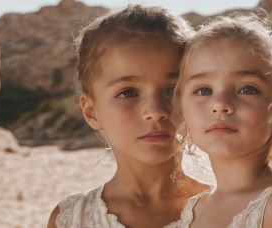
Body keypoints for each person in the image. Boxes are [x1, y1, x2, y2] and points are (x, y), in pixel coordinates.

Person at [47, 5, 207, 228]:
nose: (155, 111)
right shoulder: (72, 219)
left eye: (172, 90)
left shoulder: (233, 210)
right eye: (128, 93)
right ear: (91, 112)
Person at [173, 10, 272, 228]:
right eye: (204, 91)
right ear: (182, 112)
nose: (220, 104)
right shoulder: (193, 209)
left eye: (247, 89)